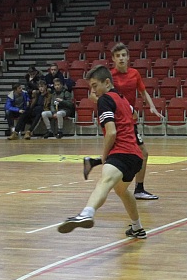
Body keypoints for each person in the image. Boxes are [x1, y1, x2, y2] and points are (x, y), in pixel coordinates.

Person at [58, 65, 146, 240]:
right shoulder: (122, 99)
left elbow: (111, 132)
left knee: (104, 181)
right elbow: (134, 115)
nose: (93, 91)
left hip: (121, 151)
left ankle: (86, 213)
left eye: (94, 85)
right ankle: (137, 228)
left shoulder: (105, 100)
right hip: (136, 155)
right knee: (121, 191)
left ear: (107, 83)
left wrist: (105, 155)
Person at [82, 42, 162, 200]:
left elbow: (143, 92)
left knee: (129, 152)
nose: (121, 58)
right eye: (118, 56)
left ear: (128, 57)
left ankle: (94, 162)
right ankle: (138, 188)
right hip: (120, 120)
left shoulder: (134, 74)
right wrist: (107, 108)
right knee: (141, 153)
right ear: (113, 59)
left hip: (129, 118)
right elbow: (93, 94)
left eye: (123, 55)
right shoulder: (108, 77)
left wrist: (152, 106)